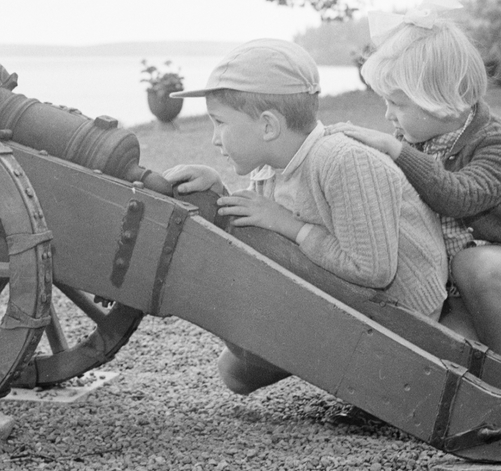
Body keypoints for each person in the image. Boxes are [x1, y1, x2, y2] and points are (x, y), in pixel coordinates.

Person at [162, 38, 449, 394]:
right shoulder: (273, 167)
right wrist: (216, 193)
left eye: (219, 123)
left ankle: (380, 380)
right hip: (362, 304)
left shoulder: (342, 161)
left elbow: (373, 270)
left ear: (268, 126)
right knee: (235, 372)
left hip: (404, 323)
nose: (214, 140)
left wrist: (287, 225)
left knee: (243, 330)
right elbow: (265, 223)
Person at [328, 0, 501, 357]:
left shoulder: (499, 143)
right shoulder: (414, 139)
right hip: (452, 284)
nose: (388, 116)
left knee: (474, 265)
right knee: (435, 351)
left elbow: (458, 196)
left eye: (398, 104)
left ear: (441, 99)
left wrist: (396, 152)